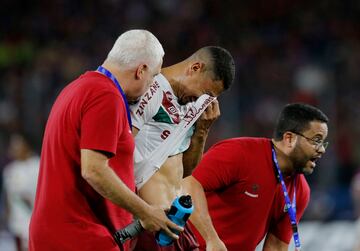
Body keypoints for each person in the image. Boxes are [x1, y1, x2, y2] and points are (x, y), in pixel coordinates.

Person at [29, 29, 182, 251]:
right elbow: (93, 170)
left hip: (59, 233)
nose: (152, 85)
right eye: (153, 76)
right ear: (141, 70)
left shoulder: (77, 88)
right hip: (81, 237)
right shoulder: (105, 96)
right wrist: (145, 212)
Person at [182, 103, 329, 251]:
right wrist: (211, 239)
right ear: (289, 139)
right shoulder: (239, 153)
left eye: (323, 143)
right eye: (316, 140)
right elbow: (188, 183)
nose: (322, 149)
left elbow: (276, 246)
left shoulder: (301, 191)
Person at [130, 46, 236, 250]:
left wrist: (202, 132)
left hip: (176, 221)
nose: (203, 99)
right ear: (195, 67)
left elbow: (186, 171)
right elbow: (120, 152)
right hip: (148, 221)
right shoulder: (147, 89)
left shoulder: (195, 104)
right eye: (206, 92)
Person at [3, 133, 39, 251]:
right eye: (13, 146)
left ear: (26, 145)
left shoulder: (38, 165)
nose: (15, 149)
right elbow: (8, 196)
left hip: (35, 220)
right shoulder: (9, 170)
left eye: (18, 145)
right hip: (17, 223)